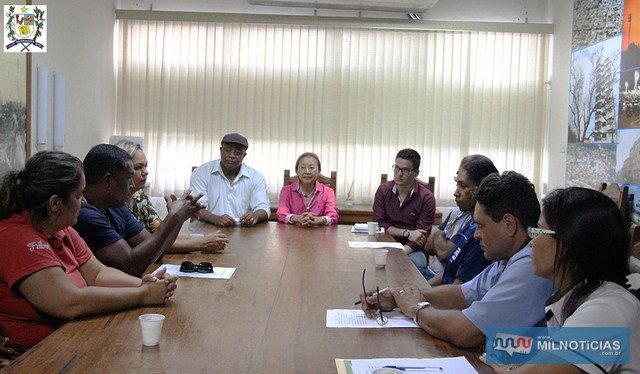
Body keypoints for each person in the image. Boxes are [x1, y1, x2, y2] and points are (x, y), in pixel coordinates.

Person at [0, 151, 176, 349]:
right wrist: (143, 295)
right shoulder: (17, 237)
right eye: (78, 195)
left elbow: (98, 273)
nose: (84, 201)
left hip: (75, 337)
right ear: (55, 203)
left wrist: (145, 284)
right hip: (34, 355)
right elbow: (69, 302)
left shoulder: (61, 229)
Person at [361, 171, 555, 348]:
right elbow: (463, 294)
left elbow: (466, 332)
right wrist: (400, 296)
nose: (476, 235)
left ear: (509, 225)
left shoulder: (530, 266)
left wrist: (415, 308)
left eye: (481, 226)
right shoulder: (507, 258)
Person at [484, 188, 640, 373]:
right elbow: (548, 347)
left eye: (539, 231)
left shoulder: (606, 309)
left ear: (567, 243)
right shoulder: (577, 293)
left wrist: (507, 370)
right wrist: (504, 345)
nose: (532, 242)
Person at [73, 144, 203, 276]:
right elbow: (130, 265)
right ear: (108, 181)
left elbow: (156, 251)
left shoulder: (115, 206)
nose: (132, 184)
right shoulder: (84, 214)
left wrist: (178, 218)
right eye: (128, 177)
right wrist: (173, 217)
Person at [116, 140, 229, 252]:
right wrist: (201, 243)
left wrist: (200, 236)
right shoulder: (116, 204)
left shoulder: (139, 196)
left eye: (146, 166)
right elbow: (152, 244)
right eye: (138, 167)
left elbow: (159, 231)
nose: (145, 172)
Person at [424, 155, 496, 286]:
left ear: (481, 188)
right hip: (437, 283)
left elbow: (443, 255)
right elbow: (445, 270)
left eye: (463, 186)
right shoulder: (469, 221)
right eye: (457, 183)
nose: (456, 193)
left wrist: (420, 295)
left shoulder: (481, 234)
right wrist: (420, 290)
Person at [372, 148, 435, 274]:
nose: (399, 174)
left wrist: (400, 253)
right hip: (384, 244)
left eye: (405, 170)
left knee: (414, 265)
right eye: (396, 168)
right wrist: (407, 233)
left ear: (416, 173)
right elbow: (379, 224)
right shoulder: (383, 191)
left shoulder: (426, 198)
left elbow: (420, 236)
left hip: (412, 249)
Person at [190, 133, 270, 227]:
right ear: (220, 150)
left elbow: (263, 208)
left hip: (244, 231)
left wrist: (255, 216)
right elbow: (195, 208)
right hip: (206, 228)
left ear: (244, 155)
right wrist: (215, 218)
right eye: (228, 150)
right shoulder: (201, 172)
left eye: (237, 152)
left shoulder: (256, 177)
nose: (232, 155)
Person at [276, 152, 338, 226]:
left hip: (319, 234)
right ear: (296, 171)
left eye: (311, 167)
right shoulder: (286, 191)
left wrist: (320, 220)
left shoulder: (328, 192)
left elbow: (333, 215)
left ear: (319, 171)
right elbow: (281, 213)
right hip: (293, 234)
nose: (307, 171)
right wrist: (296, 218)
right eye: (302, 167)